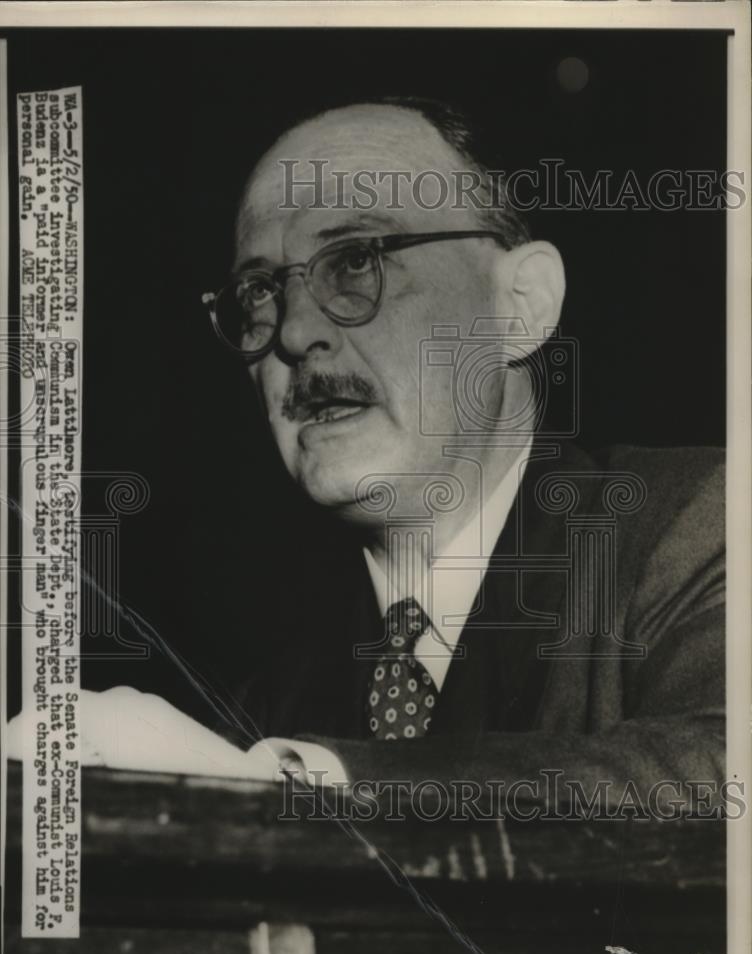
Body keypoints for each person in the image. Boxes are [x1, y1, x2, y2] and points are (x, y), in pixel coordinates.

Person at [198, 98, 725, 806]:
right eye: (259, 290)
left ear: (521, 306)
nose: (295, 332)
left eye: (355, 260)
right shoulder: (266, 704)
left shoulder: (699, 524)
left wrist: (284, 788)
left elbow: (723, 769)